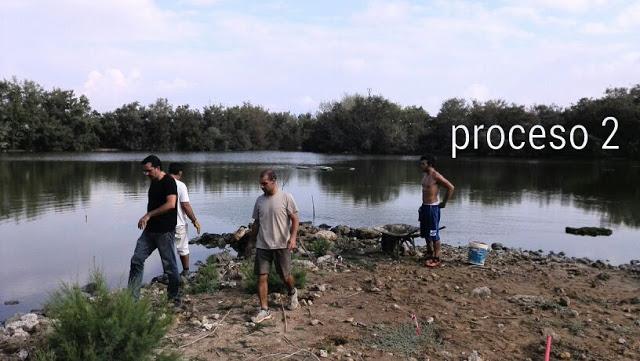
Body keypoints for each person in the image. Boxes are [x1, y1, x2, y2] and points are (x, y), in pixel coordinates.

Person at [128, 155, 181, 306]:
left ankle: (174, 298)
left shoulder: (169, 182)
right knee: (136, 260)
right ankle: (132, 301)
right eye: (144, 171)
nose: (146, 174)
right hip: (150, 231)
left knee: (170, 267)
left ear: (157, 168)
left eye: (148, 171)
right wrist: (148, 217)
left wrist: (148, 214)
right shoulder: (153, 182)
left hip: (164, 232)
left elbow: (171, 204)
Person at [250, 169, 300, 323]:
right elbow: (256, 223)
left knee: (285, 276)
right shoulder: (259, 201)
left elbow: (295, 219)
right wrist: (251, 242)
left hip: (281, 244)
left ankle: (292, 292)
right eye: (260, 184)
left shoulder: (286, 197)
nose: (262, 187)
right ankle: (264, 310)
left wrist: (292, 238)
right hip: (263, 245)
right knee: (262, 276)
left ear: (273, 181)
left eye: (264, 183)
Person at [419, 154, 454, 268]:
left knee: (434, 234)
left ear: (429, 164)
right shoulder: (425, 175)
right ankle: (429, 253)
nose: (421, 165)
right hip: (424, 207)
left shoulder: (436, 176)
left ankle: (437, 257)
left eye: (423, 163)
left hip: (432, 208)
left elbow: (450, 187)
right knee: (425, 232)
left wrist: (444, 203)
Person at [168, 162, 201, 279]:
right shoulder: (180, 185)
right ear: (180, 173)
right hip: (178, 224)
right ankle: (186, 272)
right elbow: (185, 205)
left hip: (163, 225)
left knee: (167, 249)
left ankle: (168, 273)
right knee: (183, 248)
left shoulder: (160, 183)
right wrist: (194, 221)